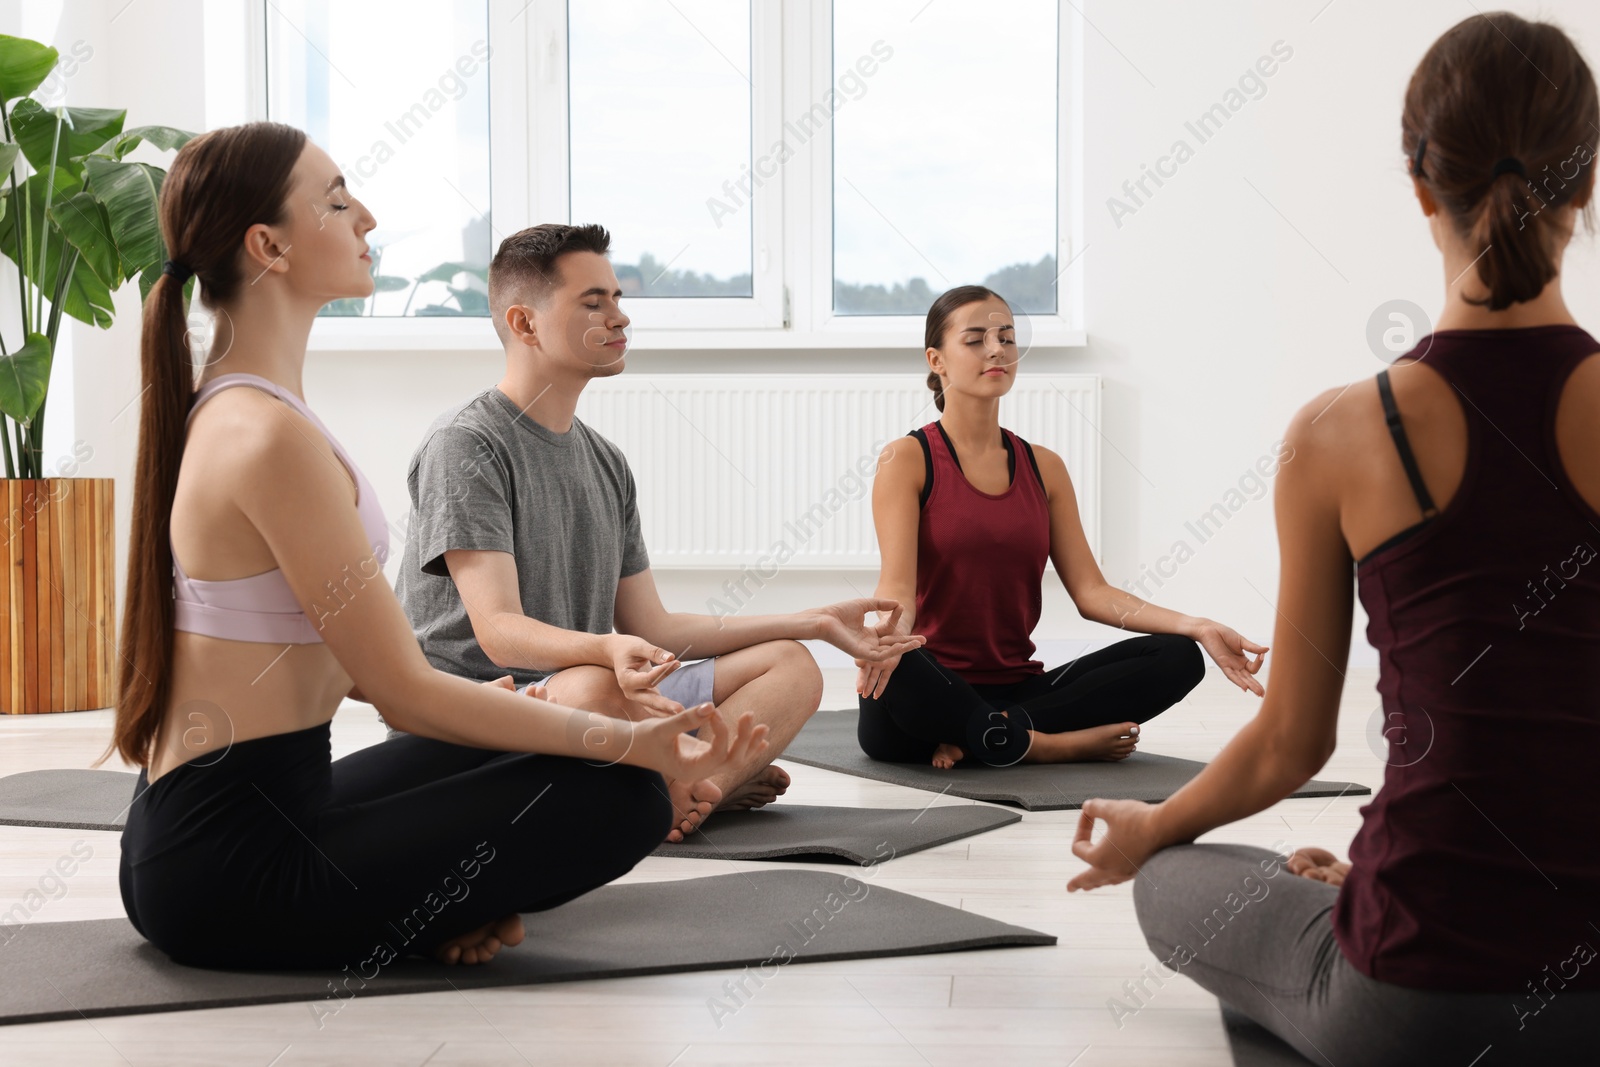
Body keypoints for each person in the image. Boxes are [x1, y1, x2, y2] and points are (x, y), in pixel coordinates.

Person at [1067, 13, 1600, 1064]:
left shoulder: (1339, 432)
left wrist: (1147, 828)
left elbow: (1288, 743)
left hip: (1414, 1000)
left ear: (1417, 181)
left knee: (1180, 868)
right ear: (1581, 184)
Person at [108, 122, 767, 971]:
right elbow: (407, 695)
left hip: (224, 824)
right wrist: (631, 742)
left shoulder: (252, 411)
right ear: (268, 245)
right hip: (228, 866)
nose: (368, 218)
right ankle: (430, 907)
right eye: (339, 201)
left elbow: (320, 656)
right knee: (624, 798)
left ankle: (431, 901)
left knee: (514, 737)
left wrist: (523, 718)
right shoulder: (263, 434)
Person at [392, 222, 923, 843]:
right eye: (594, 302)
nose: (619, 318)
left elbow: (655, 629)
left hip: (591, 696)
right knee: (595, 687)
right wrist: (607, 654)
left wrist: (812, 621)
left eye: (618, 299)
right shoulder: (468, 443)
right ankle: (686, 784)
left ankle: (682, 790)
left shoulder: (607, 461)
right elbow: (501, 634)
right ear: (524, 323)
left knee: (791, 665)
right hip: (484, 710)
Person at [857, 285, 1269, 769]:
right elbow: (898, 592)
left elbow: (1092, 592)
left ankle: (992, 732)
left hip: (1019, 688)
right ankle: (1050, 744)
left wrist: (1197, 626)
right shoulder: (907, 460)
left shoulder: (1043, 466)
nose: (996, 350)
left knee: (1178, 656)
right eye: (975, 340)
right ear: (937, 360)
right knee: (903, 666)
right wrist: (885, 639)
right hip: (930, 689)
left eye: (1006, 338)